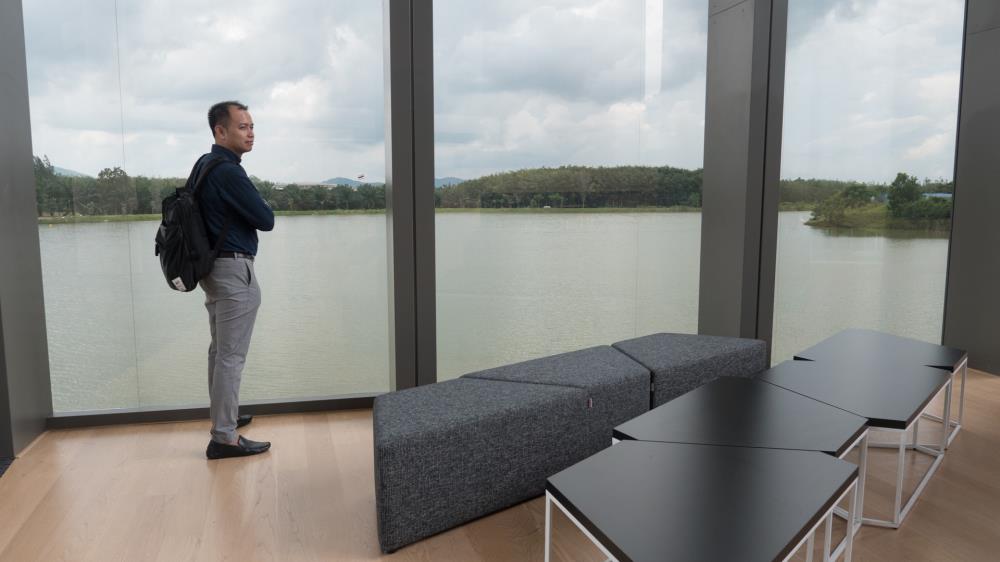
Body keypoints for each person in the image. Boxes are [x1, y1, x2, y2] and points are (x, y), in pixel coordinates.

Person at [196, 100, 275, 459]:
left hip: (212, 270)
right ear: (220, 131)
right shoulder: (229, 172)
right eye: (242, 127)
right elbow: (265, 218)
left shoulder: (204, 165)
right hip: (233, 270)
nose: (251, 133)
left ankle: (224, 418)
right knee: (230, 356)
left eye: (252, 126)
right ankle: (224, 437)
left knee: (219, 352)